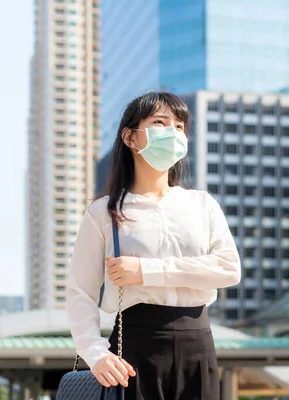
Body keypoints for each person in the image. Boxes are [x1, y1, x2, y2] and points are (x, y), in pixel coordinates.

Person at [66, 91, 241, 399]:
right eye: (160, 123)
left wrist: (147, 271)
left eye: (179, 126)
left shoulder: (202, 204)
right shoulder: (105, 212)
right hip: (133, 347)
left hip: (198, 342)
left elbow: (228, 269)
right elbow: (80, 292)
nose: (172, 133)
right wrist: (96, 354)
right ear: (131, 137)